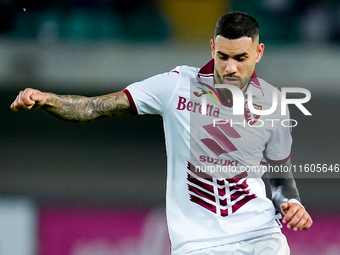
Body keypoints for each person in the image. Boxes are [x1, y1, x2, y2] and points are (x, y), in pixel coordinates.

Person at [11, 11, 312, 255]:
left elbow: (279, 177)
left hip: (262, 236)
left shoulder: (273, 102)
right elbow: (95, 107)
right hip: (199, 245)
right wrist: (48, 99)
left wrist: (293, 204)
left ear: (258, 52)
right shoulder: (176, 86)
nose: (230, 68)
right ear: (212, 48)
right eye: (223, 57)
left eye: (241, 58)